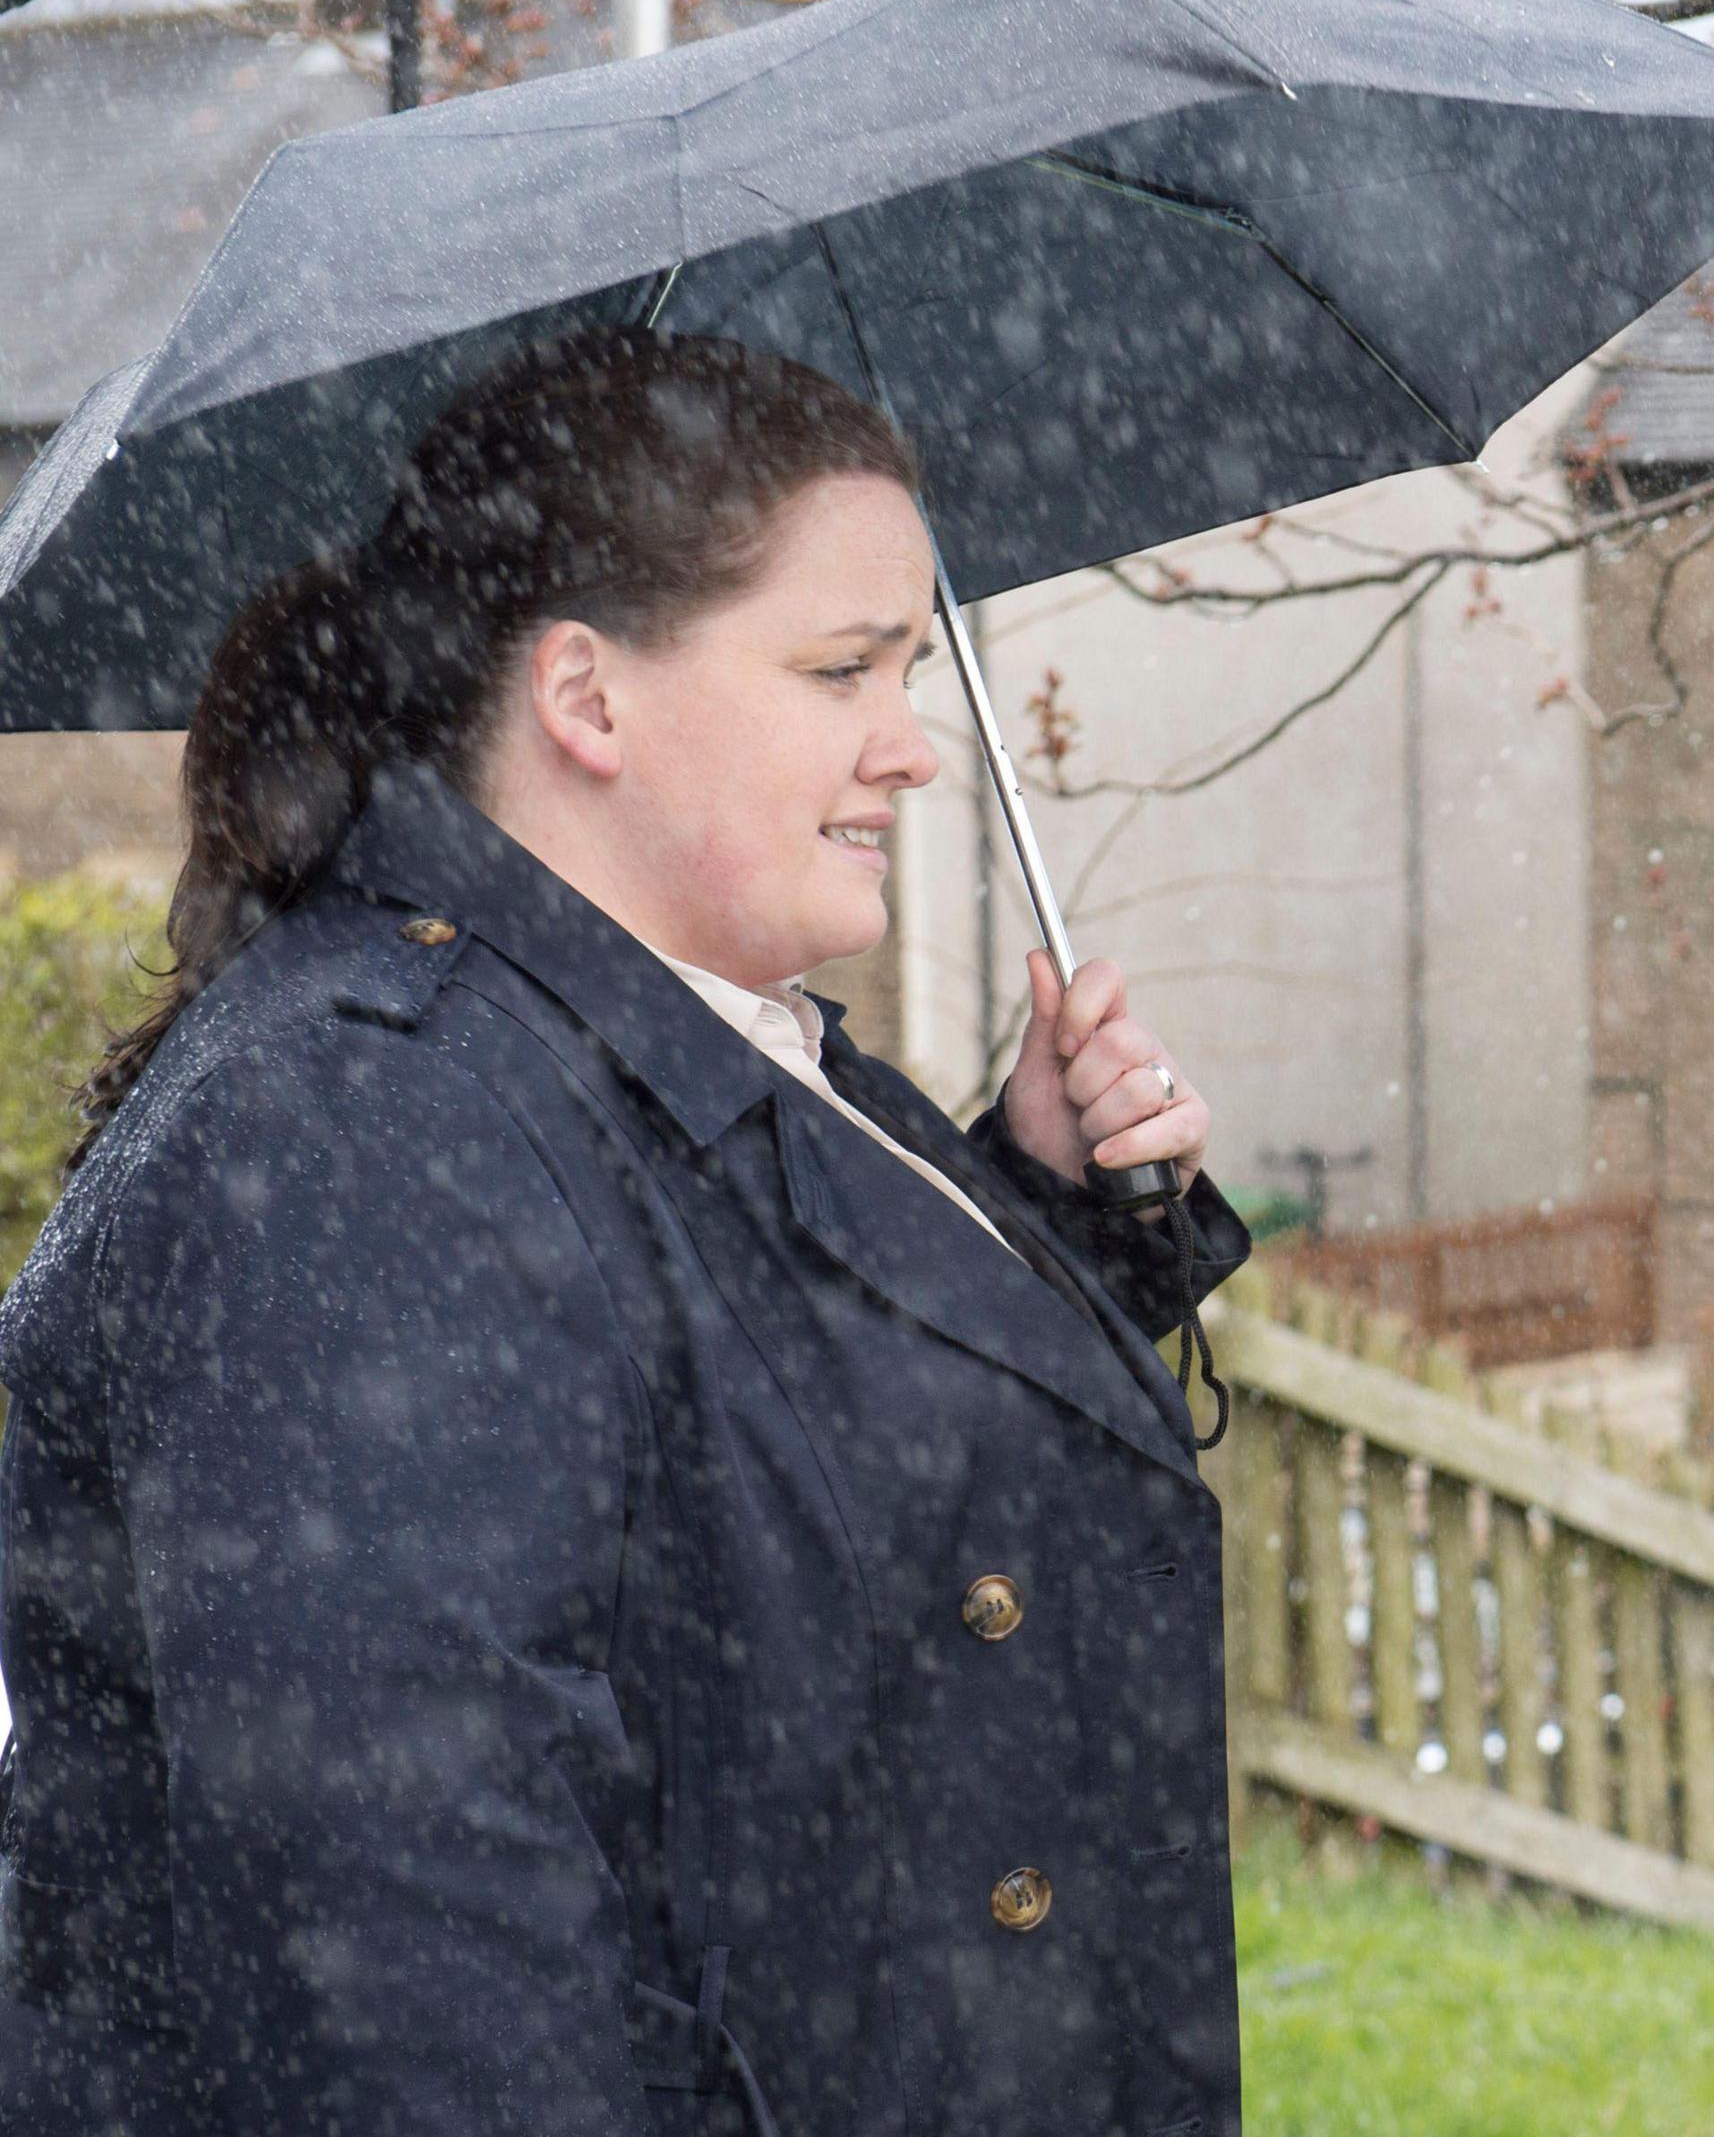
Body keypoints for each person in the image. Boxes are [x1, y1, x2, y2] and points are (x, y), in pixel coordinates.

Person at [0, 329, 1252, 2137]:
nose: (910, 751)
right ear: (586, 698)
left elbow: (764, 1498)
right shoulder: (372, 1126)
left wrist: (1037, 1212)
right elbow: (414, 1950)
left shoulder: (655, 1035)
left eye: (910, 667)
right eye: (843, 671)